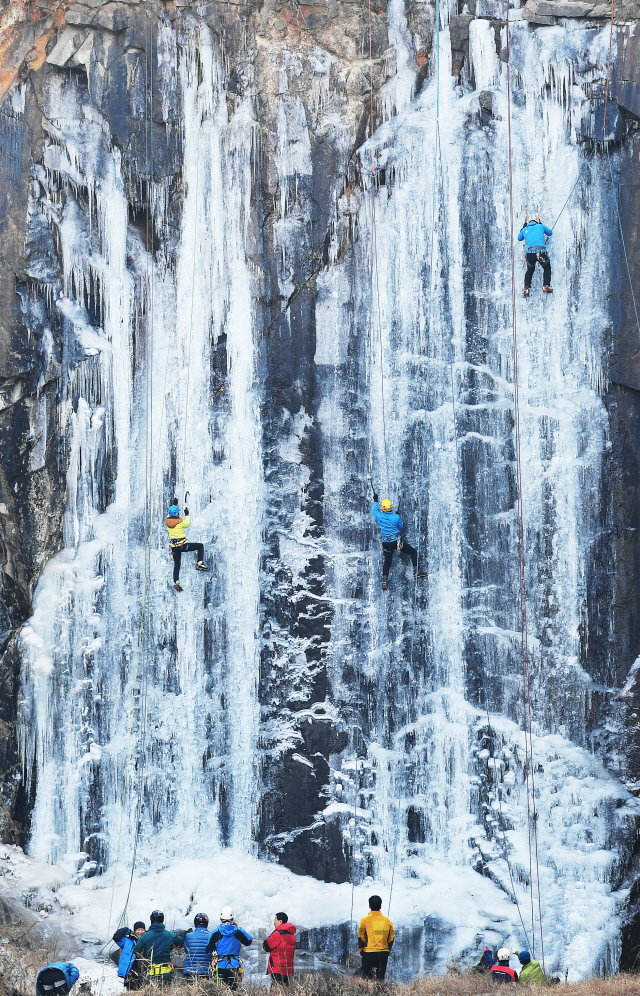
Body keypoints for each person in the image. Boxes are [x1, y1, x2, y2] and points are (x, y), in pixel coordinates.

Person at [372, 493, 419, 591]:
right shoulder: (396, 517)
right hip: (396, 542)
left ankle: (385, 580)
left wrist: (376, 501)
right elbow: (401, 527)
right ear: (390, 507)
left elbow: (374, 511)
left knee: (387, 562)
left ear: (383, 508)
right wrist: (397, 517)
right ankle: (416, 571)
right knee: (413, 552)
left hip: (386, 543)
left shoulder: (379, 516)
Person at [206, 906, 252, 990]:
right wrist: (239, 927)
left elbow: (208, 949)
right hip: (234, 965)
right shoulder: (238, 931)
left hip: (220, 966)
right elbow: (249, 941)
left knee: (220, 990)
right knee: (233, 990)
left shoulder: (215, 933)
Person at [133, 910, 184, 985]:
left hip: (151, 973)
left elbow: (136, 950)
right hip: (166, 973)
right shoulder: (169, 935)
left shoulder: (145, 936)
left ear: (151, 920)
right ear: (162, 920)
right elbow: (181, 941)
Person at [165, 502, 207, 592]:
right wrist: (187, 514)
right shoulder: (180, 522)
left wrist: (174, 504)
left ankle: (176, 581)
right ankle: (199, 563)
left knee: (177, 565)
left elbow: (170, 514)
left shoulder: (167, 521)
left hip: (174, 547)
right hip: (182, 546)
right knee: (200, 546)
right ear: (177, 513)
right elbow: (187, 523)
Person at [357, 895, 394, 981]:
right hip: (383, 953)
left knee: (365, 979)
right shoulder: (387, 921)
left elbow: (361, 937)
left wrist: (362, 951)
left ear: (369, 906)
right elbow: (391, 939)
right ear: (380, 906)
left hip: (369, 953)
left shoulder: (364, 920)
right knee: (380, 979)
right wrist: (387, 951)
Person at [517, 215, 553, 296]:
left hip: (530, 254)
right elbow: (550, 233)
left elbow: (519, 238)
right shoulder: (540, 226)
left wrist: (522, 229)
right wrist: (542, 225)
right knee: (547, 268)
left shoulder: (525, 229)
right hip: (541, 253)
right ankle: (546, 285)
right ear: (537, 222)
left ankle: (526, 288)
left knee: (530, 271)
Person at [263, 912, 296, 986]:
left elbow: (266, 946)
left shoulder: (278, 934)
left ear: (280, 921)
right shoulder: (292, 935)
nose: (274, 923)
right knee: (285, 989)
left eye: (275, 920)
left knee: (276, 990)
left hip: (277, 968)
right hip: (288, 968)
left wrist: (270, 936)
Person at [112, 922, 146, 989]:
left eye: (142, 929)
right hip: (131, 972)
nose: (140, 932)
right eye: (138, 930)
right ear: (134, 931)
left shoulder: (148, 940)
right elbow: (116, 937)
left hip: (144, 971)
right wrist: (128, 931)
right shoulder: (128, 941)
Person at [183, 912, 212, 978]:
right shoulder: (211, 936)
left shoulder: (188, 935)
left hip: (190, 970)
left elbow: (186, 950)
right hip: (205, 971)